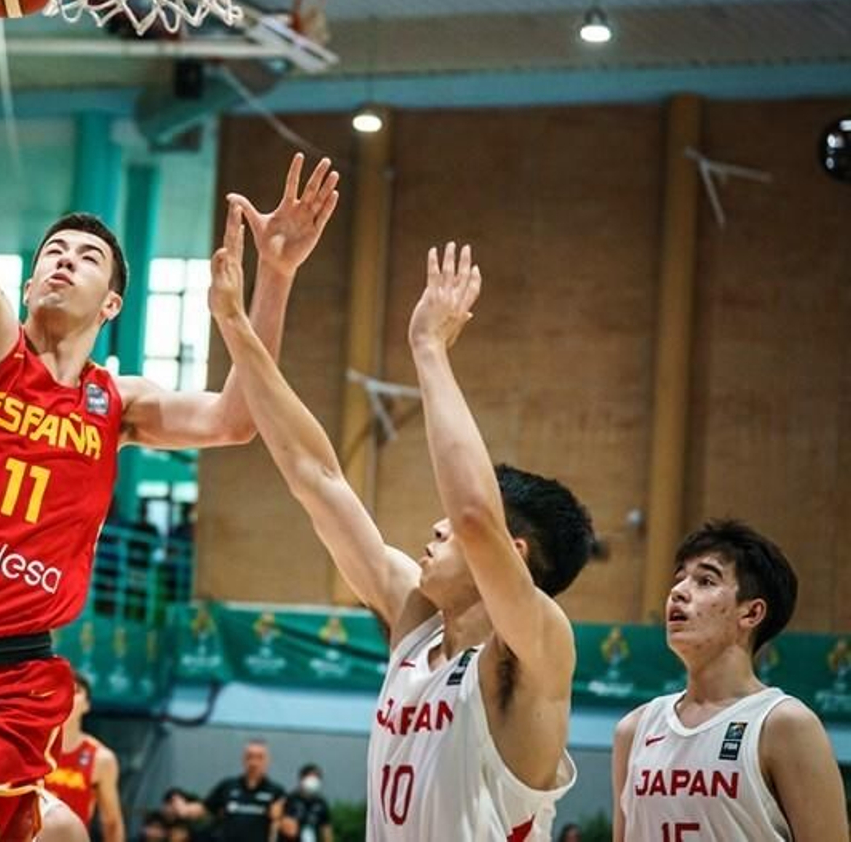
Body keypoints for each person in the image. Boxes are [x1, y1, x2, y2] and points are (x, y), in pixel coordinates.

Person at [0, 0, 334, 842]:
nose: (63, 260)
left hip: (14, 676)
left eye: (86, 257)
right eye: (52, 251)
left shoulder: (119, 402)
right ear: (29, 279)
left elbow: (237, 417)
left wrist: (275, 277)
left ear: (112, 303)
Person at [207, 236, 591, 839]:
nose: (437, 527)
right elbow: (317, 478)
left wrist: (429, 347)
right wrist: (234, 323)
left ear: (511, 554)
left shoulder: (537, 647)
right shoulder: (417, 621)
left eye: (458, 531)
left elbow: (471, 515)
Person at [611, 520, 847, 841]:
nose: (678, 592)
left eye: (705, 581)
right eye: (679, 579)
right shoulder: (634, 729)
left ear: (751, 614)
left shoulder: (784, 724)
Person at [40, 673, 122, 842]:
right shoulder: (27, 748)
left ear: (87, 705)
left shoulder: (101, 758)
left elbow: (111, 822)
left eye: (75, 691)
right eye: (61, 690)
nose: (68, 695)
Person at [194, 740, 285, 842]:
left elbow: (288, 829)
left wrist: (278, 818)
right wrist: (184, 809)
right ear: (243, 759)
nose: (254, 763)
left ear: (267, 761)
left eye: (260, 758)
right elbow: (204, 808)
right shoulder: (227, 786)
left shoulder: (276, 791)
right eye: (249, 757)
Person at [279, 764, 332, 842]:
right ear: (302, 779)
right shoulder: (290, 799)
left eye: (316, 778)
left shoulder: (321, 803)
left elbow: (326, 828)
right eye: (310, 777)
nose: (313, 781)